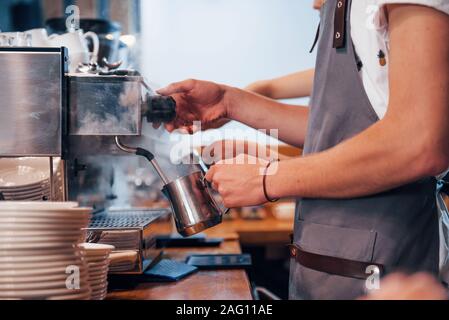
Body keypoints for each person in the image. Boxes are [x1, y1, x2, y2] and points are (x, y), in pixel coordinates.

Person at [158, 0, 449, 299]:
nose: (313, 5)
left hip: (389, 268)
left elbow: (418, 142)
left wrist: (269, 177)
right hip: (326, 270)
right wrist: (228, 102)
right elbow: (338, 126)